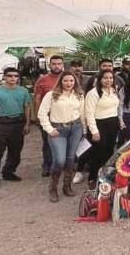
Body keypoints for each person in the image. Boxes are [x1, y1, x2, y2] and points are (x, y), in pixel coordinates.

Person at [37, 72, 84, 202]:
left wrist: (85, 130)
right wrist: (49, 129)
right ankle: (53, 187)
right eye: (66, 81)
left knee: (70, 159)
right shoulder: (51, 95)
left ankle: (67, 186)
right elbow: (42, 113)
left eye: (71, 81)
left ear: (75, 82)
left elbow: (82, 113)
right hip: (58, 130)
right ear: (60, 82)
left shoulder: (78, 95)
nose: (69, 83)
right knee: (59, 160)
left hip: (75, 128)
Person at [0, 68, 31, 190]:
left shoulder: (23, 91)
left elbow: (26, 107)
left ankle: (8, 172)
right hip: (1, 124)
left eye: (16, 76)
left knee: (15, 152)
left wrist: (27, 124)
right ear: (4, 77)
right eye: (10, 76)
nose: (13, 78)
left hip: (17, 124)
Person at [84, 70, 120, 189]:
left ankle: (106, 177)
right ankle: (92, 178)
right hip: (99, 124)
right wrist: (94, 131)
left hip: (113, 123)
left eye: (111, 78)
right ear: (100, 79)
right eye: (105, 78)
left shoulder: (114, 90)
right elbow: (89, 113)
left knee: (110, 152)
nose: (108, 80)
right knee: (98, 153)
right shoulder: (93, 93)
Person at [33, 55, 64, 177]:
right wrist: (38, 117)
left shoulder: (68, 78)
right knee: (48, 143)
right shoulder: (42, 80)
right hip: (48, 118)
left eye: (59, 63)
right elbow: (37, 99)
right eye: (54, 64)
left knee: (64, 142)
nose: (57, 66)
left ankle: (63, 166)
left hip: (64, 117)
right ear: (49, 65)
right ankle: (47, 166)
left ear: (62, 65)